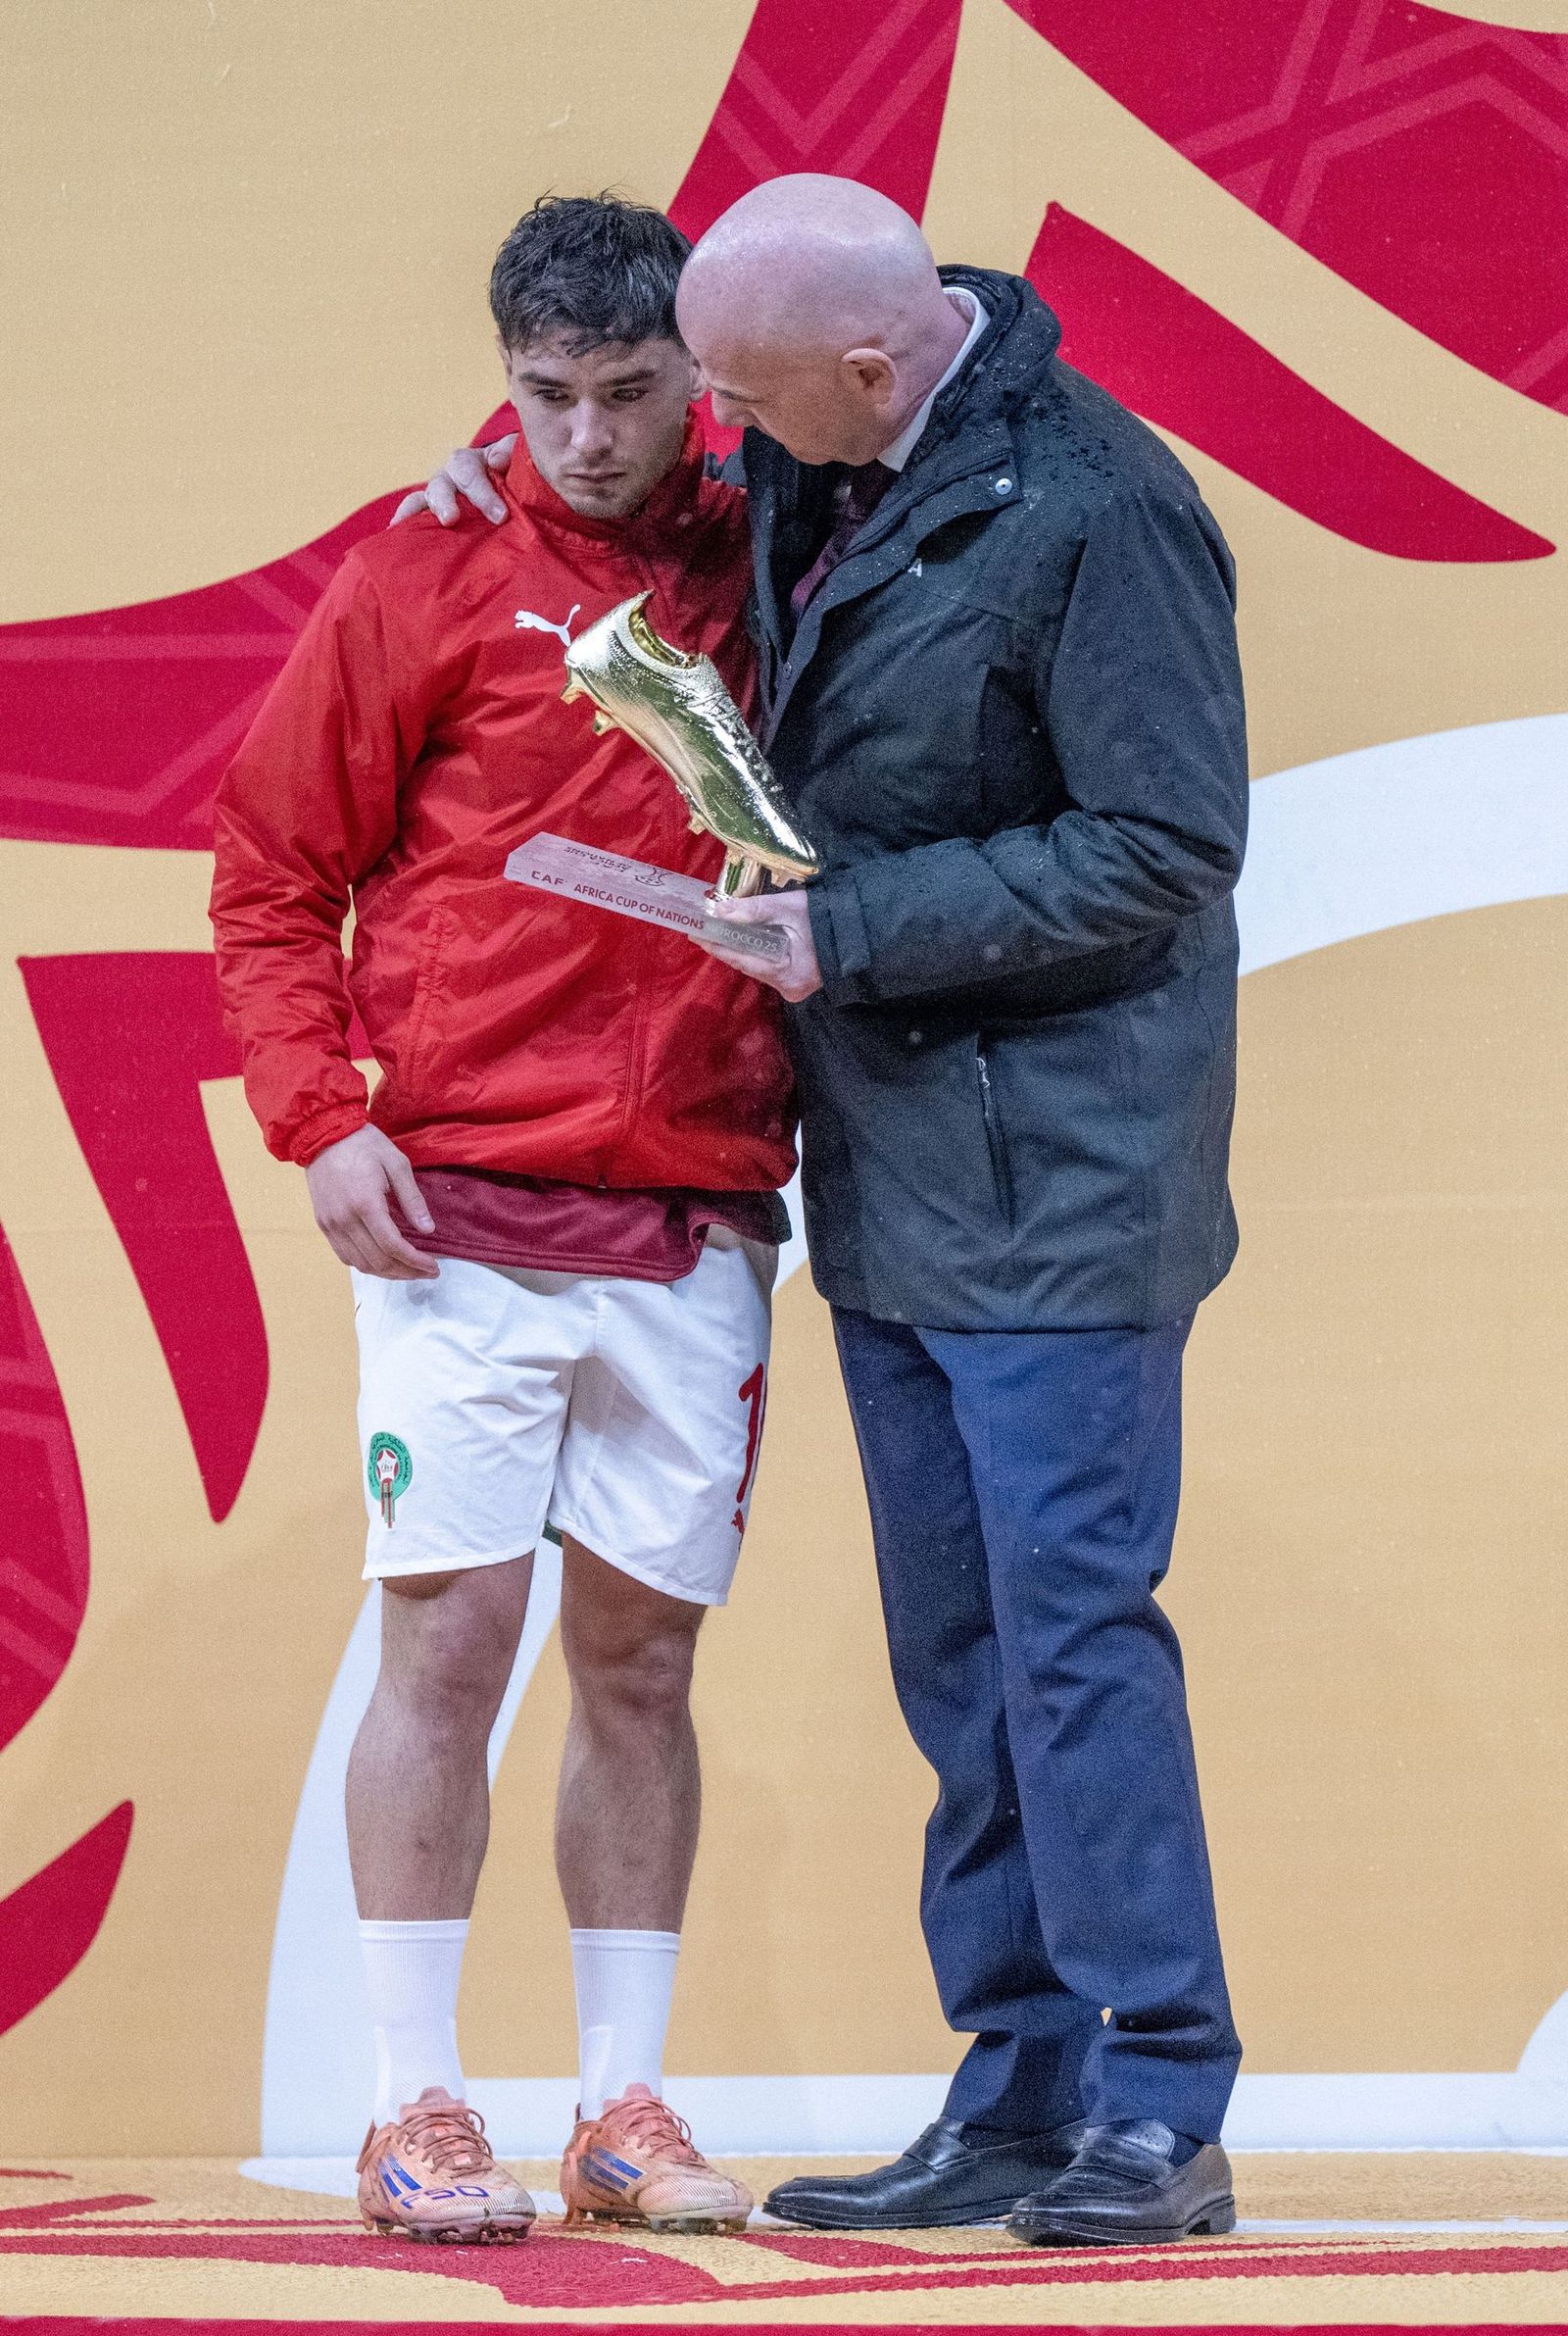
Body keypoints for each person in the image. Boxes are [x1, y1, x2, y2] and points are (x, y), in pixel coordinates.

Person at [412, 172, 1250, 2251]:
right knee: (961, 1657)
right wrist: (479, 481)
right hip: (891, 1164)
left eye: (738, 399)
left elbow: (1164, 841)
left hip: (1064, 1179)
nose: (714, 432)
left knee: (1071, 1644)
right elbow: (654, 494)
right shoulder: (836, 444)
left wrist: (851, 930)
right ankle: (1019, 2083)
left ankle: (1160, 2098)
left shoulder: (1100, 506)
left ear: (865, 367)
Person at [211, 194, 797, 2245]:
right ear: (505, 379)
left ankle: (621, 2104)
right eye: (545, 396)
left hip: (697, 1211)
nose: (584, 439)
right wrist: (315, 1121)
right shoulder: (424, 563)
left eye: (628, 393)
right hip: (456, 1213)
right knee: (449, 1643)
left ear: (698, 375)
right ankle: (412, 2106)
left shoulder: (775, 547)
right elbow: (272, 871)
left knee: (641, 1663)